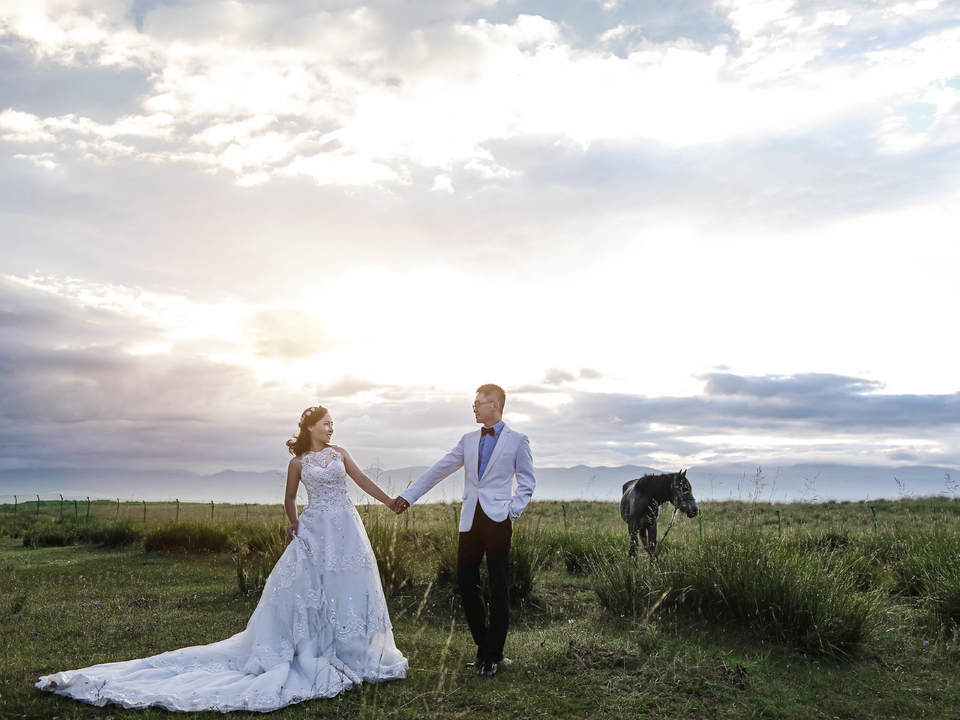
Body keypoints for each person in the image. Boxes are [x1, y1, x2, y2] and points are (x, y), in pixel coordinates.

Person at [35, 405, 408, 712]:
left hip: (344, 526)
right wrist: (294, 523)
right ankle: (312, 647)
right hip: (314, 530)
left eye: (332, 425)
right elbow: (291, 498)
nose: (331, 429)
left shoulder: (341, 454)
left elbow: (360, 480)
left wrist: (389, 500)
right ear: (310, 427)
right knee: (309, 590)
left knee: (349, 585)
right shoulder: (298, 463)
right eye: (326, 424)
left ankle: (353, 647)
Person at [390, 383, 535, 678]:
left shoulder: (518, 440)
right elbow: (440, 468)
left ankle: (492, 655)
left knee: (498, 586)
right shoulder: (468, 440)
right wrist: (409, 495)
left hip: (498, 520)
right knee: (466, 581)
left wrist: (511, 512)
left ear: (494, 405)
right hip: (470, 520)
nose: (474, 406)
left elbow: (527, 481)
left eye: (479, 402)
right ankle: (485, 648)